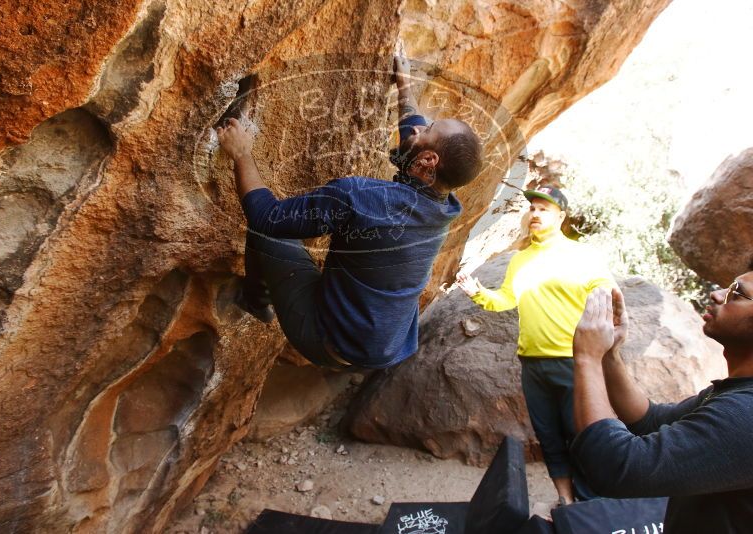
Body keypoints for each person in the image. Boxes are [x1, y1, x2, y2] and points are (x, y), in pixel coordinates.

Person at [215, 56, 483, 369]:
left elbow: (267, 217)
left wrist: (241, 154)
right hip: (384, 349)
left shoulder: (360, 196)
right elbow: (413, 134)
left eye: (429, 129)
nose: (420, 126)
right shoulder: (444, 205)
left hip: (328, 342)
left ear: (427, 161)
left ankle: (255, 301)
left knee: (270, 234)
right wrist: (404, 86)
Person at [456, 186, 614, 505]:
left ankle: (591, 506)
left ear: (561, 216)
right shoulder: (520, 260)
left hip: (574, 362)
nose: (536, 214)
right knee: (549, 436)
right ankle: (566, 501)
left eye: (545, 208)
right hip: (532, 365)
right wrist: (476, 292)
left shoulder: (582, 255)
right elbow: (506, 300)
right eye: (533, 208)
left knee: (582, 435)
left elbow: (607, 295)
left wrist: (601, 350)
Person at [571, 275, 753, 533]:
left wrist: (587, 358)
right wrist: (609, 355)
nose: (717, 294)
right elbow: (650, 421)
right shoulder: (735, 394)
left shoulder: (745, 416)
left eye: (737, 293)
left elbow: (615, 466)